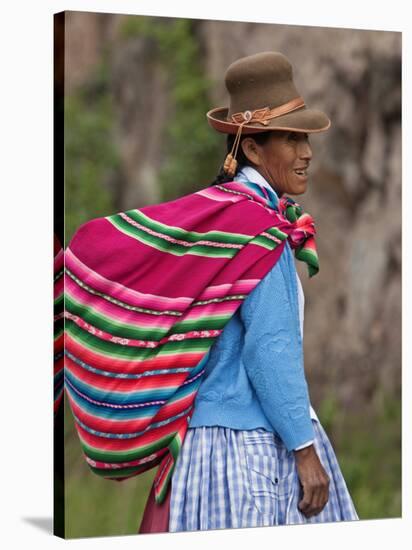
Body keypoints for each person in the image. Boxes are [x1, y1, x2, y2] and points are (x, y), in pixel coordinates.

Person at [160, 51, 359, 532]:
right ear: (252, 150)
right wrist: (305, 450)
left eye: (305, 137)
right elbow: (269, 348)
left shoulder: (219, 221)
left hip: (204, 450)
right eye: (292, 139)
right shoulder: (258, 231)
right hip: (251, 448)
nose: (307, 152)